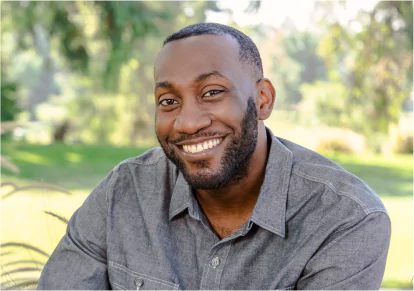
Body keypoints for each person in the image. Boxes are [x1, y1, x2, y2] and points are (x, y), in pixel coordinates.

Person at [38, 23, 391, 291]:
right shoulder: (122, 192)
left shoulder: (346, 219)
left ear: (263, 100)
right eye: (168, 101)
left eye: (212, 92)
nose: (187, 122)